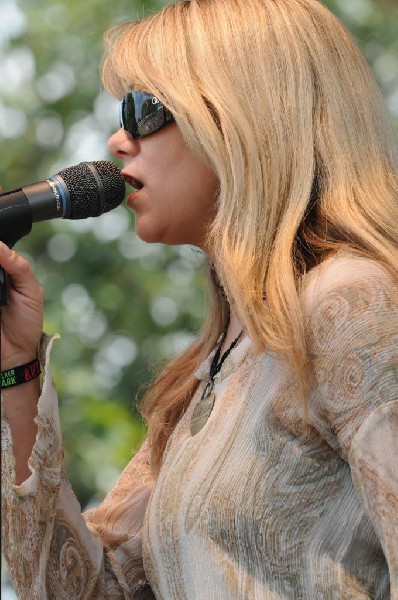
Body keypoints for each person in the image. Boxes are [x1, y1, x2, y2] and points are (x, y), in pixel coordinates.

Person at [1, 0, 398, 597]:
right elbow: (81, 592)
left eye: (142, 111)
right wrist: (16, 366)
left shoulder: (352, 302)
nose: (117, 140)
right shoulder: (210, 367)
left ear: (246, 115)